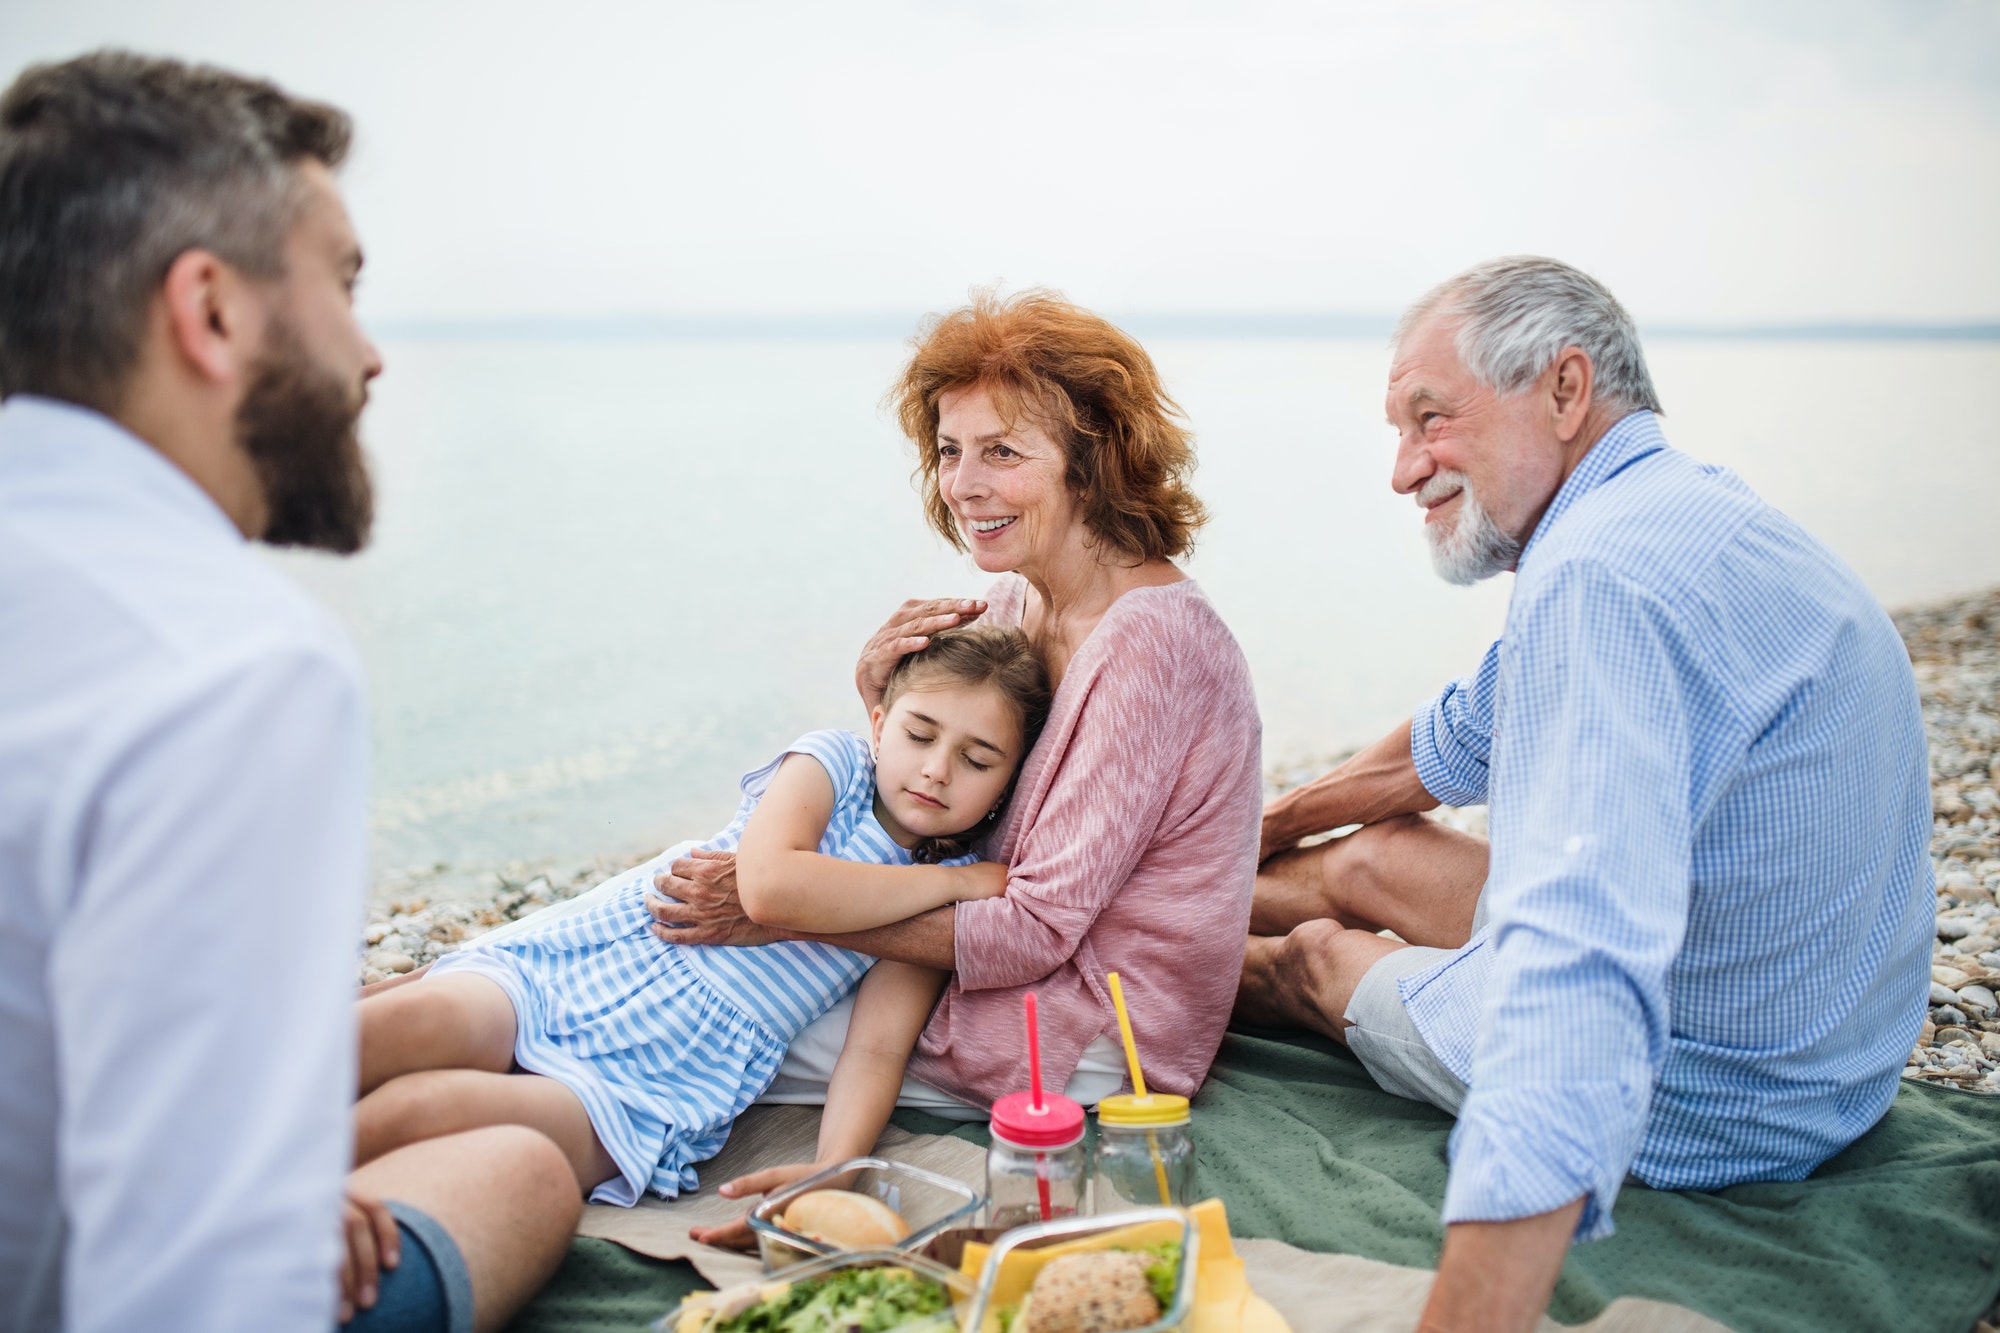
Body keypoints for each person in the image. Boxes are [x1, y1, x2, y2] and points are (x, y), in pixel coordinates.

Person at [1233, 256, 1932, 1332]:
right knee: (1368, 853)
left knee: (1320, 955)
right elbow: (1446, 740)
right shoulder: (1678, 517)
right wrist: (1240, 837)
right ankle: (1177, 900)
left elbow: (1576, 971)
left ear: (1563, 391)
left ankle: (1140, 957)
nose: (1401, 468)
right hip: (1828, 1045)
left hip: (1716, 1099)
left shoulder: (1596, 580)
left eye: (1430, 418)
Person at [0, 52, 579, 1333]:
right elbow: (198, 1299)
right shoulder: (220, 659)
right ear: (208, 311)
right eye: (344, 283)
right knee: (516, 1171)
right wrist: (246, 1212)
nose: (370, 355)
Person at [647, 290, 1265, 1140]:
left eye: (1002, 451)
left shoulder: (1153, 647)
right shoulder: (1019, 597)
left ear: (1093, 463)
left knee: (685, 999)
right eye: (949, 450)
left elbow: (1033, 929)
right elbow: (950, 799)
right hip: (993, 972)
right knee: (671, 938)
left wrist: (774, 912)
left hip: (1085, 1028)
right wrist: (877, 701)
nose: (965, 486)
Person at [354, 626, 1050, 1210]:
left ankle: (280, 1208)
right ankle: (251, 1133)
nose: (935, 769)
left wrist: (837, 1164)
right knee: (402, 1026)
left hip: (669, 1068)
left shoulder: (938, 902)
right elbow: (773, 886)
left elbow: (875, 1049)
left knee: (421, 1111)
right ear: (878, 722)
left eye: (976, 758)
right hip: (603, 959)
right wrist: (949, 882)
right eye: (920, 733)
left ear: (1005, 785)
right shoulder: (833, 765)